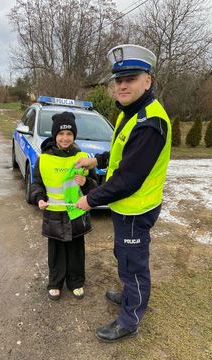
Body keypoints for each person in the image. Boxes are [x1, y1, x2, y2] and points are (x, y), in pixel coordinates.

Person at [75, 44, 172, 342]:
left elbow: (128, 178)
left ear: (148, 81)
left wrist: (90, 199)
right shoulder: (131, 113)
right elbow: (120, 151)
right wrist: (96, 160)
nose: (123, 85)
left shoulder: (150, 123)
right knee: (124, 256)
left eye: (130, 78)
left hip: (136, 208)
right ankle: (131, 294)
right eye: (118, 80)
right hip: (124, 207)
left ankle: (130, 318)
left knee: (133, 262)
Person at [30, 111, 97, 301]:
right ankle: (55, 283)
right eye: (61, 134)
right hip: (54, 213)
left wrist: (85, 182)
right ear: (54, 135)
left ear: (74, 135)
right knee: (56, 250)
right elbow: (37, 183)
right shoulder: (44, 159)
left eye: (69, 134)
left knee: (76, 249)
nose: (65, 138)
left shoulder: (82, 157)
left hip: (76, 213)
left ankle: (76, 282)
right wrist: (38, 198)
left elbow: (94, 186)